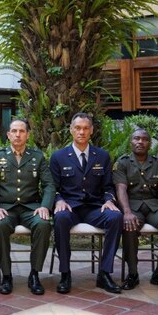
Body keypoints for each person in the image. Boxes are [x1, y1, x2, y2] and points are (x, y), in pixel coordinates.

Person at [50, 112, 123, 294]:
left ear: (91, 130)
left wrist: (108, 200)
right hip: (70, 207)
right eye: (77, 128)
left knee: (115, 217)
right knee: (60, 218)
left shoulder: (102, 156)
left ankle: (104, 273)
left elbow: (108, 186)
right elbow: (52, 187)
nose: (81, 132)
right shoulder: (58, 157)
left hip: (94, 208)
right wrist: (58, 200)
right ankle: (65, 273)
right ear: (71, 130)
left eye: (85, 128)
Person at [0, 118, 55, 295]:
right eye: (14, 131)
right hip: (5, 208)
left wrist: (45, 206)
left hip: (31, 208)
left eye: (21, 131)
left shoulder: (37, 156)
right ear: (8, 135)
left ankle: (34, 274)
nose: (17, 135)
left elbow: (49, 185)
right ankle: (7, 275)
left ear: (27, 135)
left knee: (43, 224)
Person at [113, 129, 158, 291]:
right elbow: (121, 189)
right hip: (133, 206)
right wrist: (126, 212)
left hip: (154, 206)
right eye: (136, 138)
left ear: (150, 143)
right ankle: (133, 273)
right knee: (129, 227)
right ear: (131, 142)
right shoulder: (123, 163)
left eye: (144, 139)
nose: (140, 142)